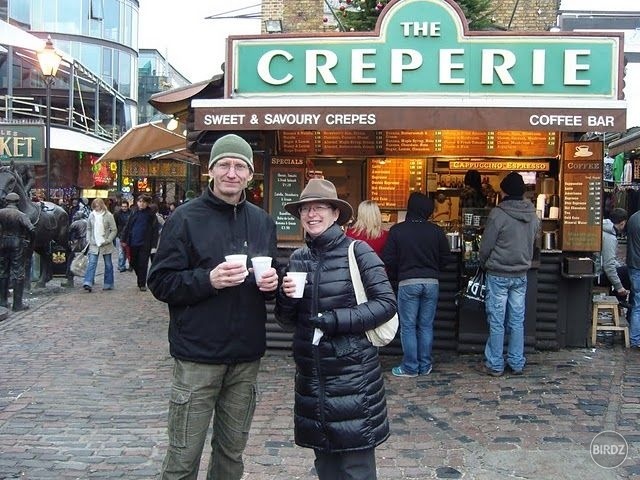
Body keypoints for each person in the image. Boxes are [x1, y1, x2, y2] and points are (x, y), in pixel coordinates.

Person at [147, 133, 280, 480]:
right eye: (225, 165)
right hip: (197, 356)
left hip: (245, 357)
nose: (232, 173)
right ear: (211, 170)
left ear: (251, 175)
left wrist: (272, 285)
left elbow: (268, 281)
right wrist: (210, 280)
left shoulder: (263, 222)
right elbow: (160, 282)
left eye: (240, 166)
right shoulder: (185, 218)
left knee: (231, 454)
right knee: (182, 457)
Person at [275, 178, 396, 480]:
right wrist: (286, 296)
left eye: (319, 208)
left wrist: (337, 320)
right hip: (312, 379)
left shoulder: (359, 251)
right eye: (305, 209)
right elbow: (287, 320)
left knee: (356, 469)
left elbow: (386, 303)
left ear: (335, 214)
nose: (311, 214)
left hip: (351, 378)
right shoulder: (298, 258)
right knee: (326, 468)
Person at [381, 192, 451, 377]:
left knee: (409, 326)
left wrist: (399, 275)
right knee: (426, 325)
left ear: (410, 208)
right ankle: (425, 364)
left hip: (408, 282)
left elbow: (387, 258)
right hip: (431, 283)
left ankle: (410, 367)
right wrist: (434, 270)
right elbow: (446, 258)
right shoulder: (436, 231)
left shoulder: (398, 230)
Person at [478, 172, 539, 376]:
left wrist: (483, 262)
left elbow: (486, 245)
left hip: (498, 273)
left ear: (504, 191)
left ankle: (495, 363)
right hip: (520, 274)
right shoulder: (532, 214)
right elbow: (533, 243)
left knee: (496, 319)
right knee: (516, 320)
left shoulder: (498, 213)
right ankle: (516, 362)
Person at [0, 192, 35, 312]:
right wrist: (30, 242)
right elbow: (32, 229)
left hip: (3, 243)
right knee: (18, 272)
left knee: (3, 271)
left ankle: (2, 302)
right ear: (18, 202)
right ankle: (17, 304)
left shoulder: (1, 213)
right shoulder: (21, 215)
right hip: (17, 243)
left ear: (6, 202)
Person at [121, 195, 158, 291]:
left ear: (147, 203)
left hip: (145, 243)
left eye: (143, 202)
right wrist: (124, 239)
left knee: (143, 263)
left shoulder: (151, 215)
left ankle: (142, 283)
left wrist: (154, 245)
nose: (141, 203)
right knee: (133, 262)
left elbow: (155, 231)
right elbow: (128, 226)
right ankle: (140, 277)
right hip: (133, 242)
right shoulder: (134, 213)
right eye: (140, 201)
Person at [82, 198, 117, 292]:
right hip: (94, 243)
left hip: (105, 243)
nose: (97, 207)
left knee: (108, 264)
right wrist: (88, 238)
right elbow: (89, 228)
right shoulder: (91, 215)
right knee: (92, 263)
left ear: (102, 205)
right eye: (95, 206)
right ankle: (88, 282)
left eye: (98, 205)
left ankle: (108, 283)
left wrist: (109, 239)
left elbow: (114, 229)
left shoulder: (108, 215)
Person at [598, 208, 630, 304]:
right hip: (598, 275)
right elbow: (609, 265)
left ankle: (618, 298)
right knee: (628, 273)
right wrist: (619, 287)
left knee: (622, 270)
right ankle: (619, 299)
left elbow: (608, 259)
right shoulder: (609, 238)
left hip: (597, 270)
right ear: (622, 223)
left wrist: (618, 266)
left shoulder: (604, 230)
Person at [61, 211, 88, 288]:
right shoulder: (87, 221)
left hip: (79, 243)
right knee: (86, 260)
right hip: (88, 243)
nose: (74, 216)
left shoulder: (76, 223)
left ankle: (69, 280)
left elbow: (68, 232)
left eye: (76, 214)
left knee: (71, 259)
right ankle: (89, 278)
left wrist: (70, 240)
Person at [625, 209, 640, 349]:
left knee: (636, 302)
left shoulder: (633, 218)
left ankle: (634, 337)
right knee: (638, 305)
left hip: (633, 265)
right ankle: (635, 339)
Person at [113, 200, 131, 272]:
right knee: (121, 252)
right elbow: (115, 224)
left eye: (125, 206)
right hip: (120, 234)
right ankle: (121, 266)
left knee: (129, 251)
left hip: (129, 235)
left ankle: (130, 265)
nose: (124, 208)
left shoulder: (131, 213)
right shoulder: (117, 214)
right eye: (123, 206)